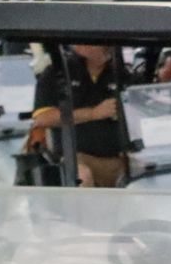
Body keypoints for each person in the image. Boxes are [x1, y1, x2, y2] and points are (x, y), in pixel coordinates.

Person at [31, 43, 126, 186]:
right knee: (81, 175)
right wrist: (93, 113)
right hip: (76, 157)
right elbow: (43, 118)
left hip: (120, 159)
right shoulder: (56, 73)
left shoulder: (122, 75)